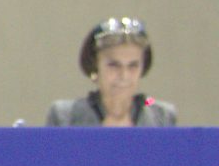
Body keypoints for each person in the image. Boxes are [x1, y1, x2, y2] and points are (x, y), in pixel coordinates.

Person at [45, 16, 177, 126]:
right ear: (95, 65)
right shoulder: (65, 117)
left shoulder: (162, 116)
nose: (124, 75)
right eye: (114, 65)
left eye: (133, 66)